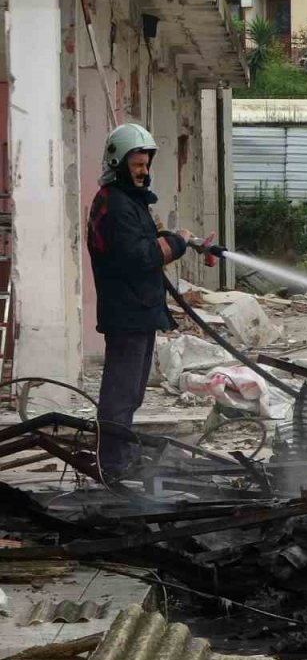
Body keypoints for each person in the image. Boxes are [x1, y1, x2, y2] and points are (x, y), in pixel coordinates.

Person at [86, 123, 211, 481]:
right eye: (138, 165)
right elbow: (138, 255)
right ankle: (112, 465)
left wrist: (185, 241)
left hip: (137, 309)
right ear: (118, 161)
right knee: (121, 394)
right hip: (127, 312)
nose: (144, 171)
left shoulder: (127, 202)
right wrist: (175, 243)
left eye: (145, 164)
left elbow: (148, 243)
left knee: (131, 393)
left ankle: (120, 456)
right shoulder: (115, 204)